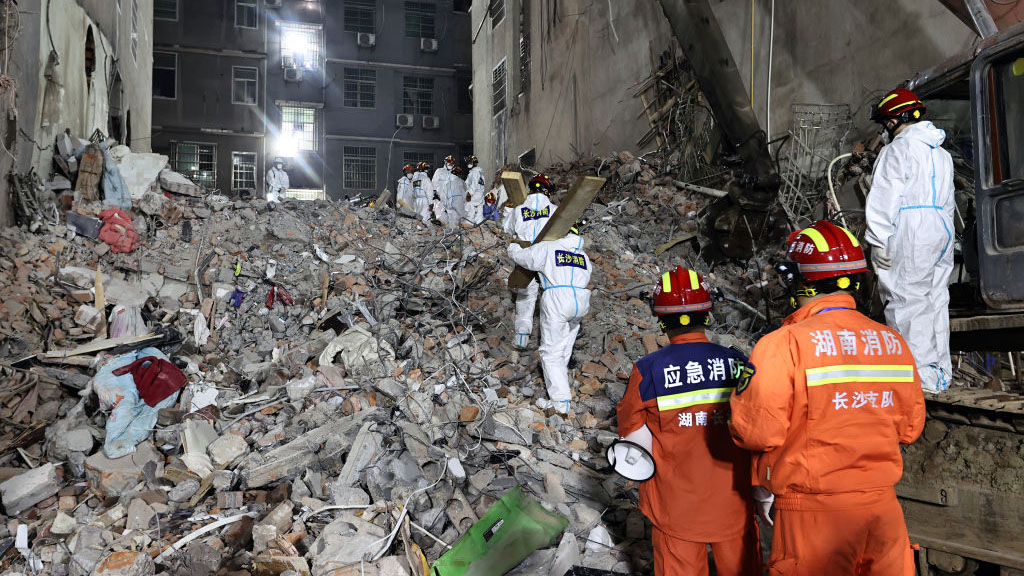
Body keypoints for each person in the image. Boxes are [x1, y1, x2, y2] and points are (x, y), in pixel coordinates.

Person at [729, 220, 926, 576]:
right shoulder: (892, 342)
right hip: (883, 511)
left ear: (797, 280)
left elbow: (757, 433)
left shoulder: (782, 344)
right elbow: (910, 428)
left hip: (815, 513)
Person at [616, 267, 759, 576]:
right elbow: (759, 423)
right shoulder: (737, 362)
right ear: (707, 314)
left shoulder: (649, 369)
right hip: (734, 501)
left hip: (674, 506)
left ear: (661, 318)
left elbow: (630, 430)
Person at [865, 87, 955, 393]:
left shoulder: (897, 150)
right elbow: (949, 203)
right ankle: (940, 372)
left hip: (911, 227)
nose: (884, 129)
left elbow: (884, 198)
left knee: (906, 299)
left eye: (885, 123)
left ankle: (917, 377)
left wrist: (878, 240)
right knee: (935, 298)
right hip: (940, 228)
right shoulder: (941, 153)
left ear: (894, 121)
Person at [507, 221, 590, 415]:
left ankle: (560, 403)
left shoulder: (550, 247)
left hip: (558, 299)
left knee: (550, 352)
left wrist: (512, 248)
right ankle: (561, 393)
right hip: (581, 301)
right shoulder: (583, 255)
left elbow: (525, 258)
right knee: (564, 347)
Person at [502, 174, 557, 348]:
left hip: (525, 254)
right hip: (546, 255)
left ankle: (521, 338)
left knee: (525, 296)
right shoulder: (554, 209)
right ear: (547, 190)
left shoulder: (519, 209)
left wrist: (509, 211)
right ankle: (550, 341)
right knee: (550, 296)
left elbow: (507, 228)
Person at [432, 155, 467, 227]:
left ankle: (452, 229)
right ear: (445, 163)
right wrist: (434, 193)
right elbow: (434, 182)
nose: (450, 165)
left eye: (452, 164)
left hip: (451, 198)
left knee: (453, 215)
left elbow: (459, 186)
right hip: (440, 196)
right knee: (440, 214)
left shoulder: (454, 173)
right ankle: (441, 226)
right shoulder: (439, 171)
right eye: (449, 164)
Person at [464, 155, 487, 225]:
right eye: (468, 162)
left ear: (474, 163)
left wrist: (469, 194)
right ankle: (479, 224)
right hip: (479, 196)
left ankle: (468, 224)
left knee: (469, 209)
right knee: (479, 212)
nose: (468, 163)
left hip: (474, 195)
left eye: (470, 162)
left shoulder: (474, 173)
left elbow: (474, 184)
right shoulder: (479, 173)